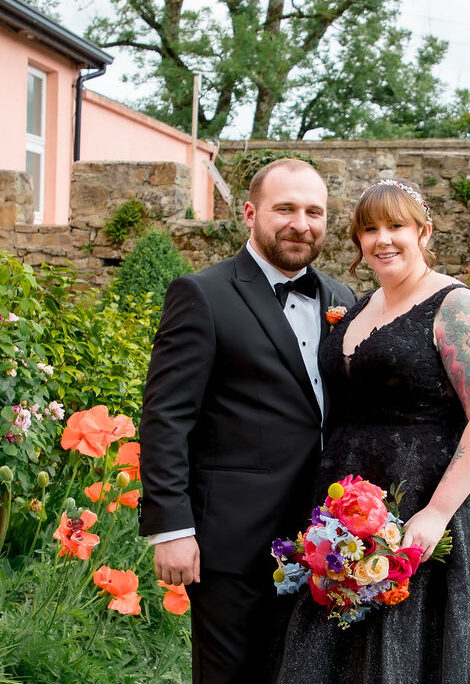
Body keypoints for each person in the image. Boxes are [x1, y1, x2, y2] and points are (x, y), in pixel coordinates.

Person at [276, 178, 470, 682]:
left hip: (424, 499)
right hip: (343, 506)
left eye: (396, 225)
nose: (383, 240)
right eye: (369, 229)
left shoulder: (455, 306)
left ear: (423, 231)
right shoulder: (356, 309)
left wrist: (436, 514)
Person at [138, 158, 356, 683]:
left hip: (327, 540)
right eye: (285, 209)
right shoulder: (203, 294)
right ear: (250, 214)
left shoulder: (344, 299)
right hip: (233, 542)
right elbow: (166, 418)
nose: (300, 224)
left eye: (314, 212)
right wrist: (170, 528)